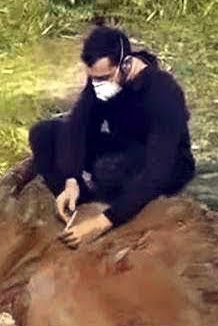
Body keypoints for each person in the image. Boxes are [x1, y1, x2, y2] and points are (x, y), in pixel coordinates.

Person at [28, 24, 197, 248]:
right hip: (123, 149)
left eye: (104, 78)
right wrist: (71, 179)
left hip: (166, 162)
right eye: (93, 78)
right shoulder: (101, 81)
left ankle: (109, 215)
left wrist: (102, 222)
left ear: (125, 64)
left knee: (108, 169)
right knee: (44, 134)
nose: (98, 85)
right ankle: (79, 206)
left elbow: (158, 170)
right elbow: (78, 125)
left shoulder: (163, 92)